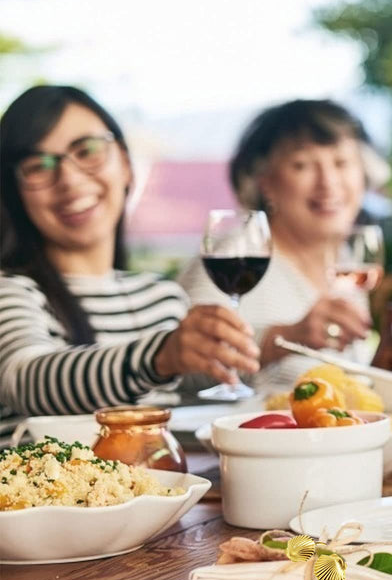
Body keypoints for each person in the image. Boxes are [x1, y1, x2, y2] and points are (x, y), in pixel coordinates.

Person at [0, 85, 260, 429]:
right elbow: (25, 379)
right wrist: (159, 355)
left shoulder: (161, 298)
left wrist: (268, 348)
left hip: (159, 483)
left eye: (87, 150)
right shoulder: (10, 290)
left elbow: (198, 389)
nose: (69, 179)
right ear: (14, 191)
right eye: (39, 165)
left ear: (124, 163)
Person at [178, 99, 379, 391]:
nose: (328, 182)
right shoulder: (234, 256)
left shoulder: (347, 261)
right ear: (266, 183)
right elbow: (184, 366)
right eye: (302, 165)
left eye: (341, 163)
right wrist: (285, 338)